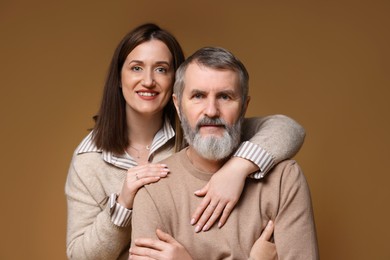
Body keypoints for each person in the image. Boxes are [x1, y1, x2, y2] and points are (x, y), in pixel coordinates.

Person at [65, 23, 306, 260]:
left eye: (161, 69)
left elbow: (286, 128)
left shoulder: (204, 130)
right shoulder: (89, 160)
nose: (148, 81)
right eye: (136, 68)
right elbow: (79, 256)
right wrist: (122, 205)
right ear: (118, 78)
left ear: (175, 84)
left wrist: (236, 169)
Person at [130, 47, 318, 259]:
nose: (211, 111)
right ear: (178, 105)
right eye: (198, 96)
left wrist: (237, 169)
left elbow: (289, 127)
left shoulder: (284, 179)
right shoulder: (154, 191)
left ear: (244, 106)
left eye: (225, 97)